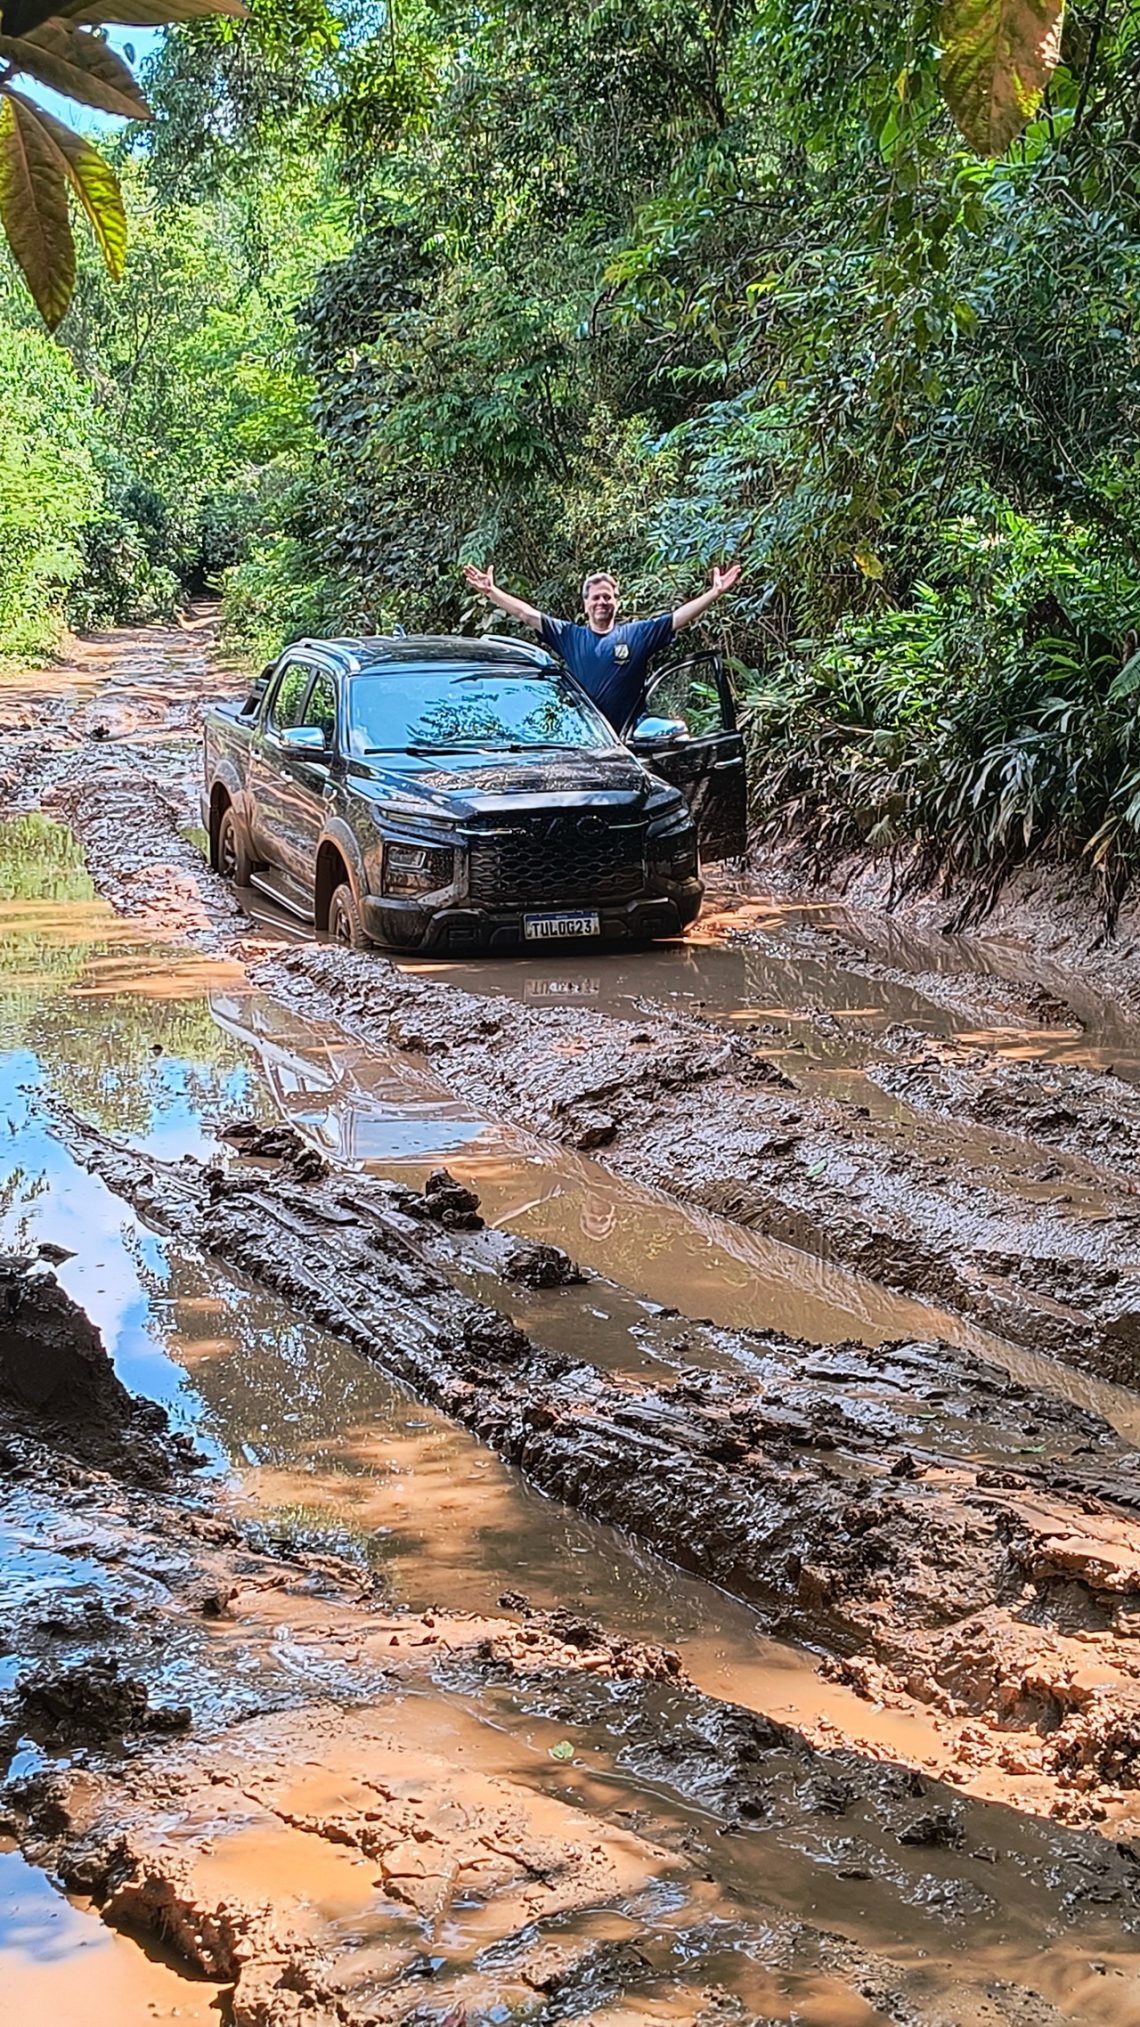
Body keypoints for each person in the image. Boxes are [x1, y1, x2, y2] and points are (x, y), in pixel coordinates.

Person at [461, 560, 741, 734]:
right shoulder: (569, 636)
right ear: (585, 604)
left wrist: (714, 593)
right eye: (595, 598)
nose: (601, 602)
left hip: (630, 741)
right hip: (584, 740)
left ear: (616, 601)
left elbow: (677, 618)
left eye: (607, 597)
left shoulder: (637, 635)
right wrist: (491, 592)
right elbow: (527, 614)